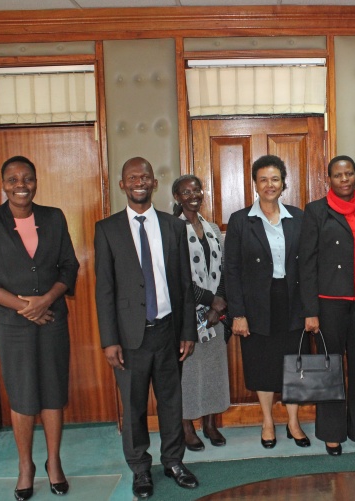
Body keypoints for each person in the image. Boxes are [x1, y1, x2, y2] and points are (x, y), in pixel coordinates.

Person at [0, 156, 79, 501]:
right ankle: (25, 467)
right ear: (3, 184)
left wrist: (46, 300)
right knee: (23, 394)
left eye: (27, 178)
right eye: (14, 179)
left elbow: (68, 266)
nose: (21, 184)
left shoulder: (53, 217)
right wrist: (26, 307)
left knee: (52, 391)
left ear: (36, 181)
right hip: (11, 325)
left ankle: (55, 463)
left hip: (52, 321)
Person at [94, 157, 199, 498]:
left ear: (155, 183)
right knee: (134, 405)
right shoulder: (107, 229)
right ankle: (140, 469)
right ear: (122, 184)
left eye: (145, 176)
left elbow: (184, 284)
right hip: (128, 338)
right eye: (132, 177)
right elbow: (104, 288)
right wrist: (109, 340)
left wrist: (188, 332)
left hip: (168, 331)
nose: (139, 181)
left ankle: (173, 461)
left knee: (171, 402)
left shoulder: (174, 226)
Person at [224, 154, 310, 450]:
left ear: (283, 183)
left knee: (295, 363)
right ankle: (267, 422)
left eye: (275, 179)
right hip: (256, 304)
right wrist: (238, 313)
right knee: (261, 363)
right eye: (263, 179)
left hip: (293, 302)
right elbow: (231, 270)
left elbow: (309, 267)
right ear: (255, 184)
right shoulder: (239, 221)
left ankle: (294, 422)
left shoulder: (299, 218)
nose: (269, 185)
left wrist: (311, 310)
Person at [299, 155, 355, 456]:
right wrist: (310, 310)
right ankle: (332, 433)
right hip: (329, 303)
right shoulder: (316, 211)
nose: (344, 179)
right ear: (329, 179)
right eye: (338, 175)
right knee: (329, 368)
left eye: (349, 173)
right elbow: (306, 265)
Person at [171, 174, 230, 451]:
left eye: (196, 190)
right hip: (186, 315)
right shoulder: (172, 229)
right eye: (185, 192)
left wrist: (219, 303)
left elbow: (226, 269)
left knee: (214, 369)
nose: (192, 195)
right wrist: (210, 301)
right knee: (189, 371)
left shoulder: (213, 229)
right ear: (177, 198)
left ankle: (209, 424)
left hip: (216, 315)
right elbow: (178, 278)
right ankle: (186, 426)